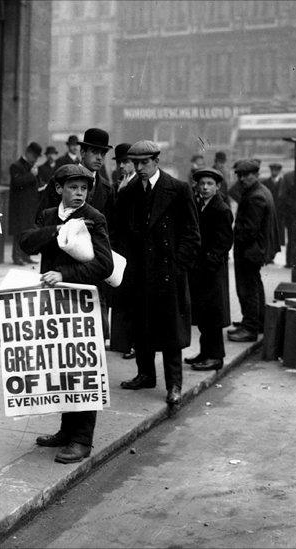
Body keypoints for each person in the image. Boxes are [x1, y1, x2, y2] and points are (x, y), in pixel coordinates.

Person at [20, 164, 113, 464]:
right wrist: (57, 230)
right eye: (73, 187)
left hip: (82, 303)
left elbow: (104, 265)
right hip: (56, 304)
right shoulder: (49, 215)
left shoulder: (94, 218)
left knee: (83, 369)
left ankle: (82, 439)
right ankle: (66, 430)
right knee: (62, 364)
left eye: (84, 189)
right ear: (59, 189)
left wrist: (63, 273)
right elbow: (26, 242)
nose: (79, 193)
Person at [111, 140, 200, 409]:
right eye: (135, 163)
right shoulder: (128, 193)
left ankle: (174, 384)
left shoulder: (178, 189)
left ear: (156, 161)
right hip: (139, 273)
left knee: (170, 330)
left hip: (167, 274)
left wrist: (177, 266)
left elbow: (192, 235)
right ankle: (146, 374)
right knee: (141, 325)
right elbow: (119, 232)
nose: (139, 168)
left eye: (144, 163)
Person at [184, 168, 233, 371]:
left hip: (212, 272)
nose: (204, 187)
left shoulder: (221, 209)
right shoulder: (199, 205)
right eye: (202, 183)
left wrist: (208, 265)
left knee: (213, 316)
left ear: (218, 186)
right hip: (201, 270)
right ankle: (205, 353)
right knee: (204, 316)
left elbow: (223, 243)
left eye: (209, 184)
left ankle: (216, 357)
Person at [228, 159, 280, 343]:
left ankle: (250, 328)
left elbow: (249, 230)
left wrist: (235, 238)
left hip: (250, 250)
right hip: (257, 249)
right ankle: (256, 322)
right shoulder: (260, 190)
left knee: (247, 288)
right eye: (239, 175)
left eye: (246, 175)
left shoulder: (255, 196)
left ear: (256, 174)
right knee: (254, 284)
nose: (242, 179)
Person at [36, 127, 115, 223]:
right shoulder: (60, 180)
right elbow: (41, 218)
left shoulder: (106, 188)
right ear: (82, 152)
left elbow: (109, 228)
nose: (99, 158)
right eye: (94, 152)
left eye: (103, 154)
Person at [107, 142, 136, 360]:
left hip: (131, 248)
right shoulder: (121, 183)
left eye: (126, 162)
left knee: (130, 297)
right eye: (120, 162)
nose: (122, 166)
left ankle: (132, 343)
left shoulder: (134, 184)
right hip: (119, 246)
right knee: (119, 294)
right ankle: (120, 341)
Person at [8, 141, 43, 265]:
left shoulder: (31, 167)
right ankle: (16, 257)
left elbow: (35, 184)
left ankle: (26, 255)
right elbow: (18, 182)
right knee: (19, 232)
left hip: (30, 206)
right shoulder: (16, 166)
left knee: (28, 231)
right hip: (19, 206)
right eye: (34, 156)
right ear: (28, 153)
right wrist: (32, 175)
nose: (35, 159)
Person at [262, 162, 285, 254]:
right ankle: (269, 254)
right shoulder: (266, 183)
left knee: (277, 233)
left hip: (279, 212)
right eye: (272, 170)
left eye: (276, 170)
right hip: (269, 211)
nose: (274, 172)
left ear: (279, 171)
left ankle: (274, 252)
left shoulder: (283, 182)